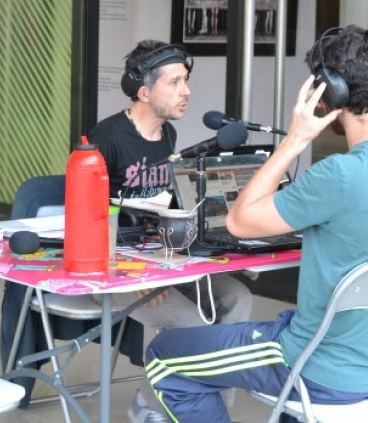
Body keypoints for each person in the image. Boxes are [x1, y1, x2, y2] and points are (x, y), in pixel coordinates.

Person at [142, 26, 368, 423]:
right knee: (281, 328)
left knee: (166, 356)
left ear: (330, 94)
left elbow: (238, 221)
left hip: (319, 366)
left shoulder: (340, 174)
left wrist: (294, 140)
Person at [89, 39, 253, 423]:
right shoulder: (106, 139)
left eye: (186, 80)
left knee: (239, 298)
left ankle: (208, 410)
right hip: (121, 271)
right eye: (175, 82)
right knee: (195, 327)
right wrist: (124, 276)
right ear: (144, 92)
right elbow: (85, 218)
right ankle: (150, 404)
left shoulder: (168, 135)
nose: (187, 91)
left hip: (168, 259)